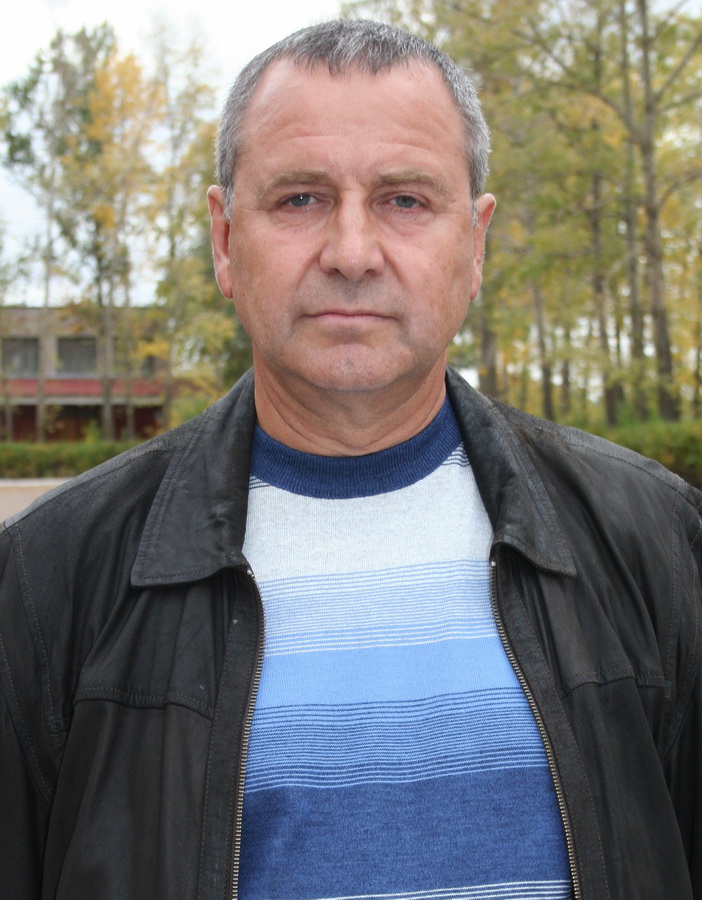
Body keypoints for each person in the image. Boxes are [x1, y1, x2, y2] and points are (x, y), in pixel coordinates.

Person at [0, 18, 700, 900]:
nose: (353, 254)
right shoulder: (48, 580)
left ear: (475, 243)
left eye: (405, 200)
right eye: (301, 199)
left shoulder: (656, 542)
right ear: (224, 239)